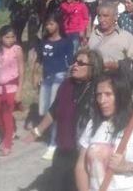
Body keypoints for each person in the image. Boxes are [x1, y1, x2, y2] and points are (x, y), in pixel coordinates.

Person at [26, 49, 103, 191]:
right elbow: (53, 111)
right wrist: (37, 131)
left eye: (81, 63)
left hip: (83, 152)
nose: (75, 65)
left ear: (93, 67)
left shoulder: (98, 89)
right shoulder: (66, 84)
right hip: (62, 149)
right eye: (74, 61)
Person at [75, 73, 133, 191]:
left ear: (120, 96)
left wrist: (127, 166)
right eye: (98, 95)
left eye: (108, 94)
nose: (102, 100)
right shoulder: (92, 124)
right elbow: (81, 166)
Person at [33, 15, 74, 160]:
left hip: (60, 77)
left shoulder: (66, 41)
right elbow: (39, 59)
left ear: (58, 24)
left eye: (51, 24)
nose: (48, 27)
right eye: (47, 24)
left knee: (54, 111)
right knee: (44, 110)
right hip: (47, 78)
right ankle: (51, 136)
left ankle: (53, 143)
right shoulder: (44, 41)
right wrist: (35, 75)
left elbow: (70, 61)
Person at [0, 25, 25, 156]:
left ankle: (7, 142)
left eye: (12, 37)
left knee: (7, 116)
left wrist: (19, 90)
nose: (10, 39)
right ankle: (7, 133)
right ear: (1, 37)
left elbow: (21, 70)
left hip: (11, 89)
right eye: (7, 37)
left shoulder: (17, 50)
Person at [87, 3, 133, 73]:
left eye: (106, 16)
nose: (101, 19)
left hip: (116, 80)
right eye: (99, 16)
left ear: (115, 17)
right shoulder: (94, 35)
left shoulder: (126, 37)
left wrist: (118, 65)